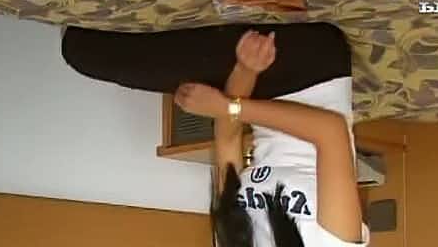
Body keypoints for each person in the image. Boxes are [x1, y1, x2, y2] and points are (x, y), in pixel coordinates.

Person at [62, 23, 369, 246]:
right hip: (314, 70)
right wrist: (229, 106)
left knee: (87, 54)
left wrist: (245, 70)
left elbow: (228, 139)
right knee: (90, 52)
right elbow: (330, 131)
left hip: (261, 86)